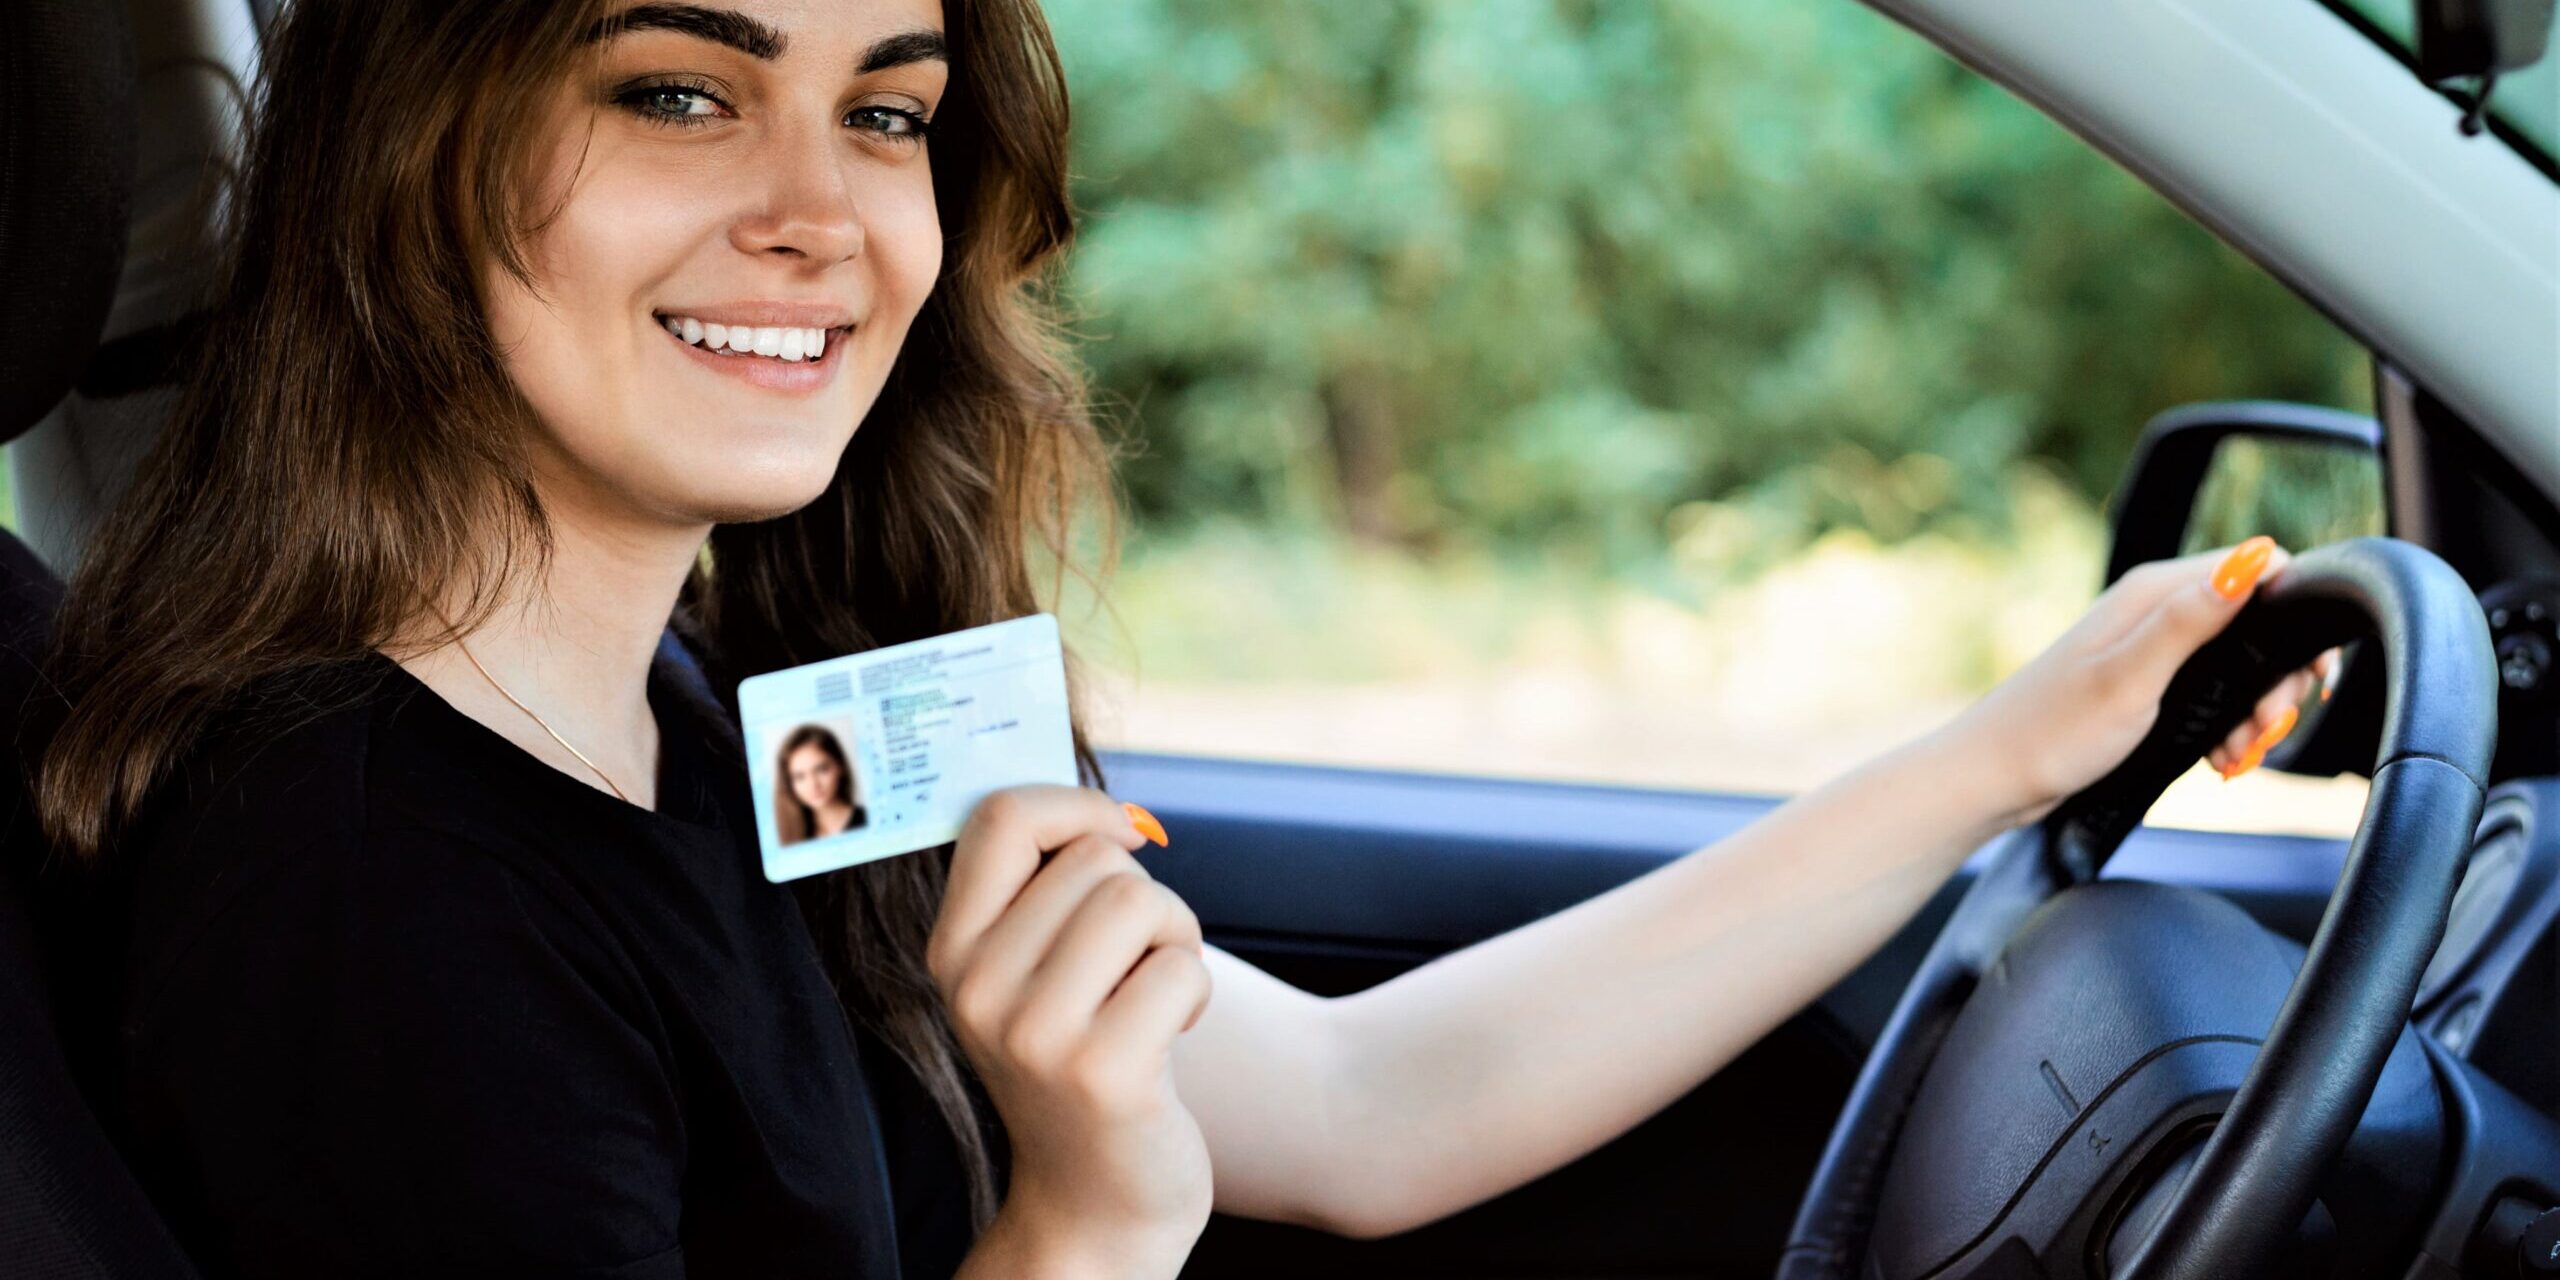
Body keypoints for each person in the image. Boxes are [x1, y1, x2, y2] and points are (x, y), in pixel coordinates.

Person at [31, 0, 2334, 1276]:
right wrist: (1087, 1217)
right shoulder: (354, 884)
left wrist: (2006, 747)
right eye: (676, 90)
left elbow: (1362, 1097)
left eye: (886, 110)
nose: (821, 214)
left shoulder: (719, 721)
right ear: (405, 164)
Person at [776, 724, 868, 843]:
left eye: (821, 769)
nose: (813, 785)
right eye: (800, 776)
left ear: (840, 766)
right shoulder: (789, 835)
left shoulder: (869, 820)